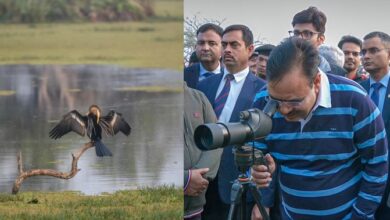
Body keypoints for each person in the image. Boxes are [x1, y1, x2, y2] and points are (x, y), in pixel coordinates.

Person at [251, 37, 388, 219]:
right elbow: (258, 154)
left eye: (294, 101)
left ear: (316, 82)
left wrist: (361, 215)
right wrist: (259, 174)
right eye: (276, 101)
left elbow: (376, 163)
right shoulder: (262, 100)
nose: (283, 110)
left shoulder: (354, 100)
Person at [198, 24, 266, 220]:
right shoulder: (204, 85)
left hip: (241, 186)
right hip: (202, 182)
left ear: (250, 50)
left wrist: (263, 200)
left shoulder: (263, 90)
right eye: (224, 44)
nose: (227, 50)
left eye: (234, 45)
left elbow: (267, 146)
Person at [359, 31, 390, 220]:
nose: (366, 56)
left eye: (373, 50)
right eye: (363, 52)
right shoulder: (355, 90)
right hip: (359, 177)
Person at [184, 82, 222, 219]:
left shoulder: (199, 98)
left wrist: (197, 178)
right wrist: (185, 180)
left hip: (195, 206)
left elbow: (217, 140)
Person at [289, 6, 343, 76]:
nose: (299, 38)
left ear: (320, 39)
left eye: (307, 33)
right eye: (296, 33)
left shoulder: (336, 74)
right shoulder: (278, 70)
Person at [184, 23, 223, 89]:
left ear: (222, 48)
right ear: (195, 47)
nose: (205, 48)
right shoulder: (183, 76)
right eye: (201, 43)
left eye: (212, 43)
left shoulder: (230, 77)